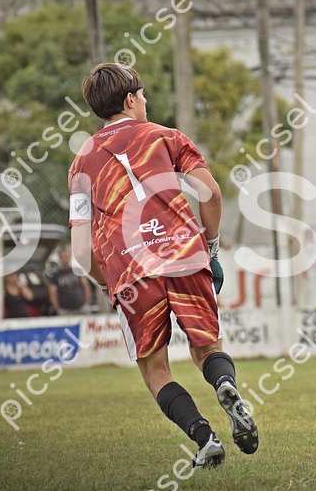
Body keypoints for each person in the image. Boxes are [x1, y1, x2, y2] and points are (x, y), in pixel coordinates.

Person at [68, 63, 258, 469]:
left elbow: (81, 251)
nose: (146, 100)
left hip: (132, 272)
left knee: (155, 370)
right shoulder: (166, 136)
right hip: (186, 255)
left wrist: (107, 282)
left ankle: (205, 439)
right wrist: (211, 248)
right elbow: (210, 192)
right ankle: (225, 384)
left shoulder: (81, 162)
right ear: (130, 99)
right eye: (143, 94)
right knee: (207, 348)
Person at [50, 247, 94, 315]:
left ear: (69, 257)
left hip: (81, 308)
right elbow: (52, 293)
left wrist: (87, 303)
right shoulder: (56, 275)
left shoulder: (77, 271)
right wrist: (58, 309)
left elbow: (86, 286)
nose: (65, 259)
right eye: (63, 257)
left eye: (66, 257)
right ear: (60, 258)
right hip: (65, 310)